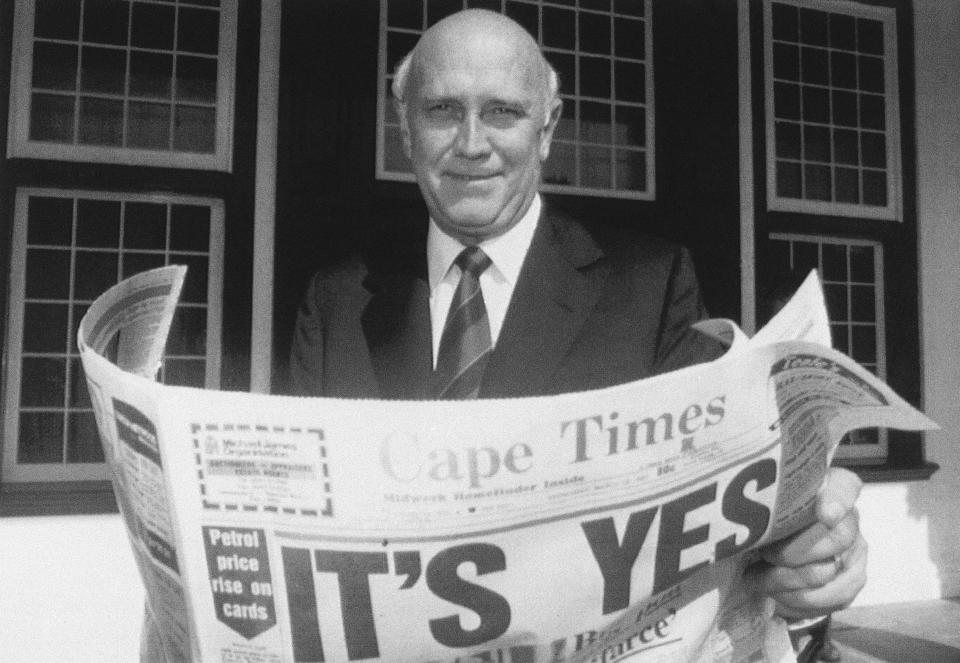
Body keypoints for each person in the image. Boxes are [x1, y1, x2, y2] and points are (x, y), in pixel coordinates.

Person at [289, 7, 866, 658]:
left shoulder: (651, 290)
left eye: (502, 111)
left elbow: (727, 550)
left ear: (546, 129)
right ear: (405, 128)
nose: (471, 143)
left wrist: (804, 572)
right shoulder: (335, 300)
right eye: (443, 110)